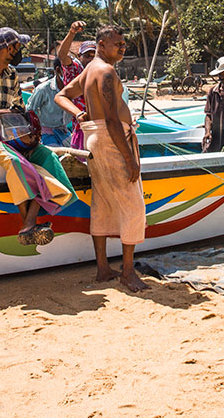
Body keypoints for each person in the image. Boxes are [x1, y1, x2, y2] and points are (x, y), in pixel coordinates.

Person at [55, 25, 148, 292]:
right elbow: (112, 120)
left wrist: (77, 113)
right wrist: (130, 158)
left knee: (103, 202)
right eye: (117, 43)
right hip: (110, 139)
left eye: (123, 43)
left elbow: (61, 96)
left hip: (95, 138)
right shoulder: (105, 71)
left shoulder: (89, 70)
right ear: (101, 45)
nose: (122, 47)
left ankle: (103, 268)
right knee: (133, 205)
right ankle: (127, 272)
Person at [0, 28, 75, 246]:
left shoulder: (12, 75)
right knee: (15, 162)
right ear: (9, 48)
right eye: (19, 47)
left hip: (11, 134)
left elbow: (20, 111)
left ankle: (28, 224)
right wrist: (7, 113)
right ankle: (29, 224)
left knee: (48, 157)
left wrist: (28, 135)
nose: (20, 51)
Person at [57, 21, 98, 149]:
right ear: (80, 56)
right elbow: (62, 56)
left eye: (94, 56)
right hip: (82, 127)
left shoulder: (100, 71)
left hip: (99, 127)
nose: (90, 59)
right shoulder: (75, 69)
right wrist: (72, 32)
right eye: (87, 56)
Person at [25, 57, 73, 146]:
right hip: (45, 133)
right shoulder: (43, 89)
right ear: (58, 70)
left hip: (63, 132)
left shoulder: (73, 90)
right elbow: (30, 110)